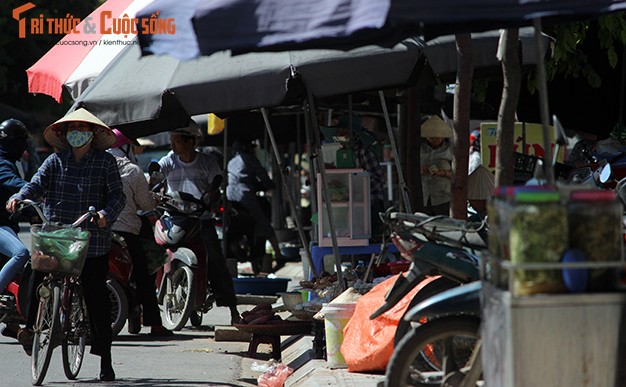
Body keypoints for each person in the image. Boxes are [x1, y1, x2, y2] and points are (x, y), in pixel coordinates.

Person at [7, 108, 125, 382]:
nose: (76, 133)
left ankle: (105, 359)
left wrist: (106, 215)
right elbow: (35, 185)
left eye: (81, 129)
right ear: (64, 134)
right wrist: (19, 197)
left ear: (92, 134)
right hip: (57, 236)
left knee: (96, 299)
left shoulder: (105, 162)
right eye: (71, 129)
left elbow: (118, 196)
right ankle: (30, 329)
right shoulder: (54, 161)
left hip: (91, 241)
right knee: (34, 276)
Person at [155, 127, 241, 325]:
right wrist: (155, 181)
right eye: (172, 140)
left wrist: (212, 191)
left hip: (201, 220)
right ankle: (146, 306)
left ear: (191, 142)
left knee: (217, 262)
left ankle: (233, 310)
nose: (172, 144)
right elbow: (157, 172)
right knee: (153, 254)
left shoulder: (207, 162)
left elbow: (217, 179)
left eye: (176, 141)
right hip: (173, 218)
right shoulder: (168, 160)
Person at [108, 129, 173, 337]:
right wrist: (154, 198)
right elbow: (144, 203)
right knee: (145, 274)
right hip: (125, 232)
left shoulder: (94, 165)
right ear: (126, 147)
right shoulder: (131, 170)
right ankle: (154, 323)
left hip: (95, 230)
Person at [226, 139, 287, 272]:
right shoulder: (249, 158)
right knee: (263, 222)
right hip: (245, 194)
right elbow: (262, 174)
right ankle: (278, 253)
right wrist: (270, 185)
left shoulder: (231, 162)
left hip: (230, 195)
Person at [0, 119, 32, 339]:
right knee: (21, 253)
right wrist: (37, 188)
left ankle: (14, 327)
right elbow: (11, 183)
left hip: (7, 224)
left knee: (19, 276)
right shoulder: (2, 162)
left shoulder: (10, 160)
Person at [339, 115, 386, 239]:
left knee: (372, 239)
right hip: (355, 205)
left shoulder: (365, 151)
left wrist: (358, 188)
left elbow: (377, 179)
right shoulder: (346, 153)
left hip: (371, 204)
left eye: (344, 133)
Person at [420, 115, 453, 216]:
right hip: (423, 195)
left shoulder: (450, 150)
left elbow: (458, 173)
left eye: (438, 136)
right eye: (432, 136)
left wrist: (442, 173)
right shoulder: (420, 150)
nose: (435, 139)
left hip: (444, 197)